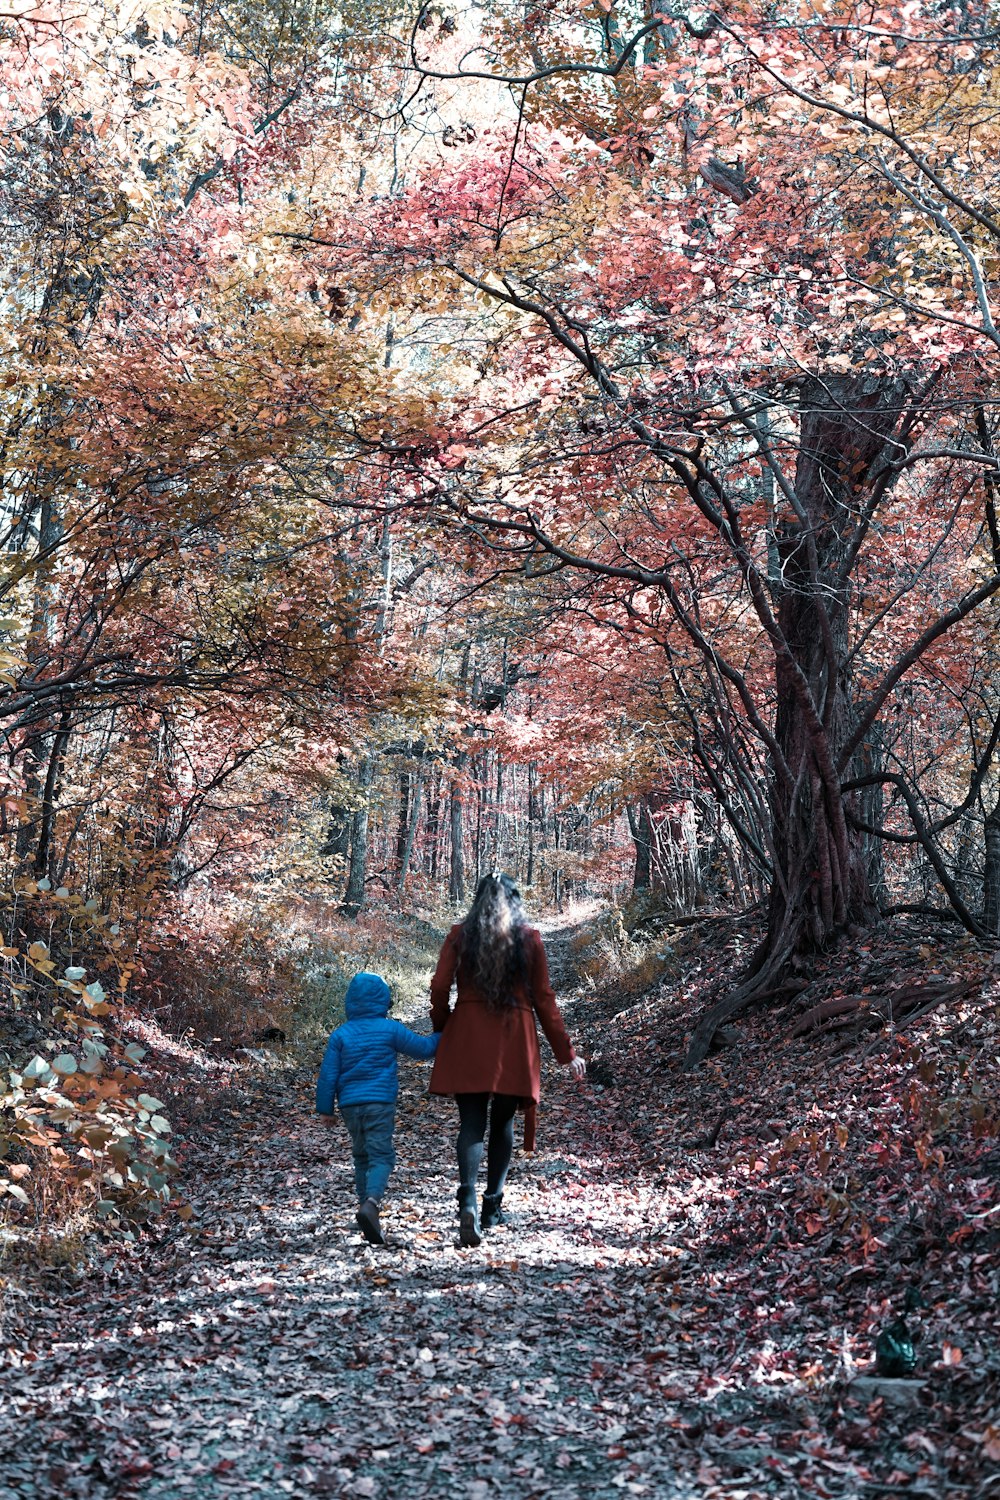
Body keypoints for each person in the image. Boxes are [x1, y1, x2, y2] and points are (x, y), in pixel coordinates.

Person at [428, 874, 585, 1247]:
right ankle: (492, 1208)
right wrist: (567, 1053)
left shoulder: (460, 934)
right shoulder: (528, 938)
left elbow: (438, 986)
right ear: (515, 900)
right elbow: (544, 999)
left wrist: (444, 1027)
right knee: (502, 1124)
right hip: (514, 1038)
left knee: (470, 1123)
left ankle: (466, 1196)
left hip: (467, 1033)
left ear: (477, 899)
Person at [316, 970, 439, 1245]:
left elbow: (328, 1075)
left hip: (350, 1106)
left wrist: (326, 1109)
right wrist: (444, 1035)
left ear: (350, 1001)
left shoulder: (340, 1035)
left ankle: (365, 1209)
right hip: (380, 1103)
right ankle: (371, 1203)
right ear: (384, 1000)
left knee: (361, 1157)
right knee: (382, 1157)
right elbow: (422, 1048)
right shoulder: (390, 1029)